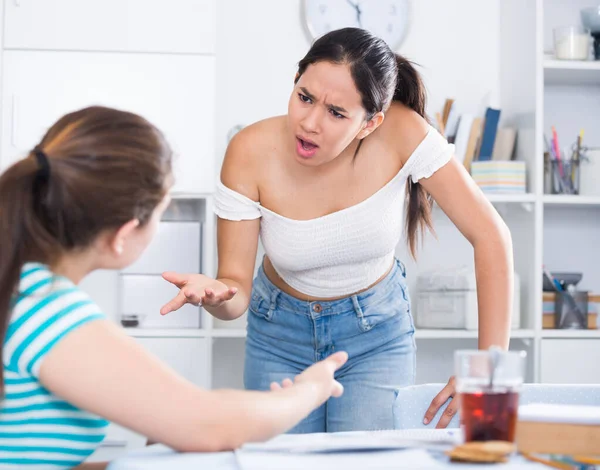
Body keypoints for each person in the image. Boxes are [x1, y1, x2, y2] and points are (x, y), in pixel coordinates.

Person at [161, 27, 514, 433]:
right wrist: (216, 294)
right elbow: (234, 292)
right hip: (279, 337)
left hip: (376, 335)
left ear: (370, 123)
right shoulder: (248, 151)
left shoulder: (402, 132)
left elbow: (491, 235)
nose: (309, 123)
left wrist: (487, 371)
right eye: (305, 98)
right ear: (295, 82)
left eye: (336, 113)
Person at [0, 106, 349, 469]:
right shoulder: (43, 307)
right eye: (161, 212)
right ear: (123, 234)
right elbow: (210, 423)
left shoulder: (21, 291)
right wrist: (311, 389)